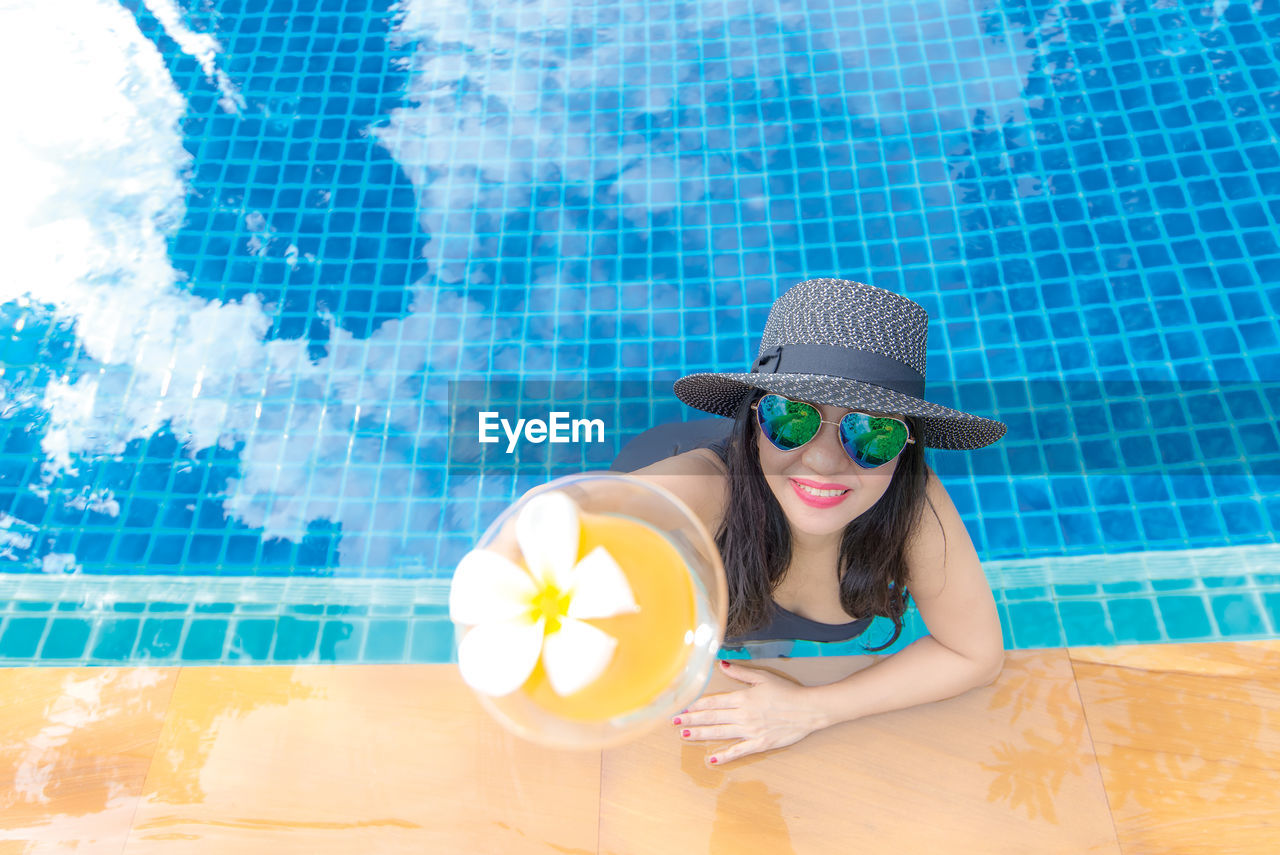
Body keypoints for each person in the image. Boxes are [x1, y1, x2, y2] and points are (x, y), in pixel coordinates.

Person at [615, 278, 1008, 767]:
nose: (823, 463)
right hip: (690, 468)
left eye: (873, 430)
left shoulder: (908, 498)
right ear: (756, 416)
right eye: (791, 416)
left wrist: (810, 709)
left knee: (753, 630)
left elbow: (976, 654)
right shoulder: (705, 485)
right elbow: (592, 514)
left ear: (906, 446)